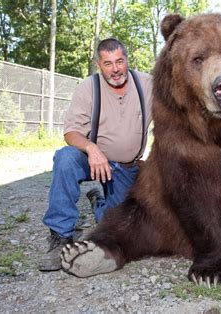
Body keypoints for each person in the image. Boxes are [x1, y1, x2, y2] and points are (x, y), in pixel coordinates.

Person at [39, 38, 153, 271]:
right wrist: (92, 149)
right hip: (94, 160)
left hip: (127, 166)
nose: (116, 69)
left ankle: (97, 201)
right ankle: (61, 235)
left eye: (120, 61)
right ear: (99, 64)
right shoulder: (88, 87)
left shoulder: (147, 84)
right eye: (108, 63)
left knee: (114, 224)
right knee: (66, 158)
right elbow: (71, 132)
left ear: (127, 60)